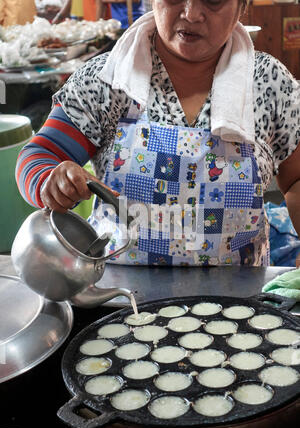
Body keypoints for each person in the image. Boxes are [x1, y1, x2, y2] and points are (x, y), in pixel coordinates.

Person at [16, 1, 300, 267]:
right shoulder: (106, 79)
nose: (191, 13)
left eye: (213, 0)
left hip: (240, 300)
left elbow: (296, 179)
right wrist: (49, 182)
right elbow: (40, 155)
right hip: (123, 298)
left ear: (241, 6)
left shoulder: (268, 83)